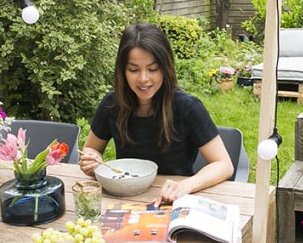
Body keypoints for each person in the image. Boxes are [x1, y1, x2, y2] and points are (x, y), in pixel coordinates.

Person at [79, 23, 234, 206]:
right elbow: (91, 149)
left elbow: (224, 165)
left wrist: (185, 186)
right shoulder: (112, 104)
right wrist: (92, 160)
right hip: (124, 199)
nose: (143, 79)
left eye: (153, 69)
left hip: (173, 201)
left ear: (165, 68)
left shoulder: (187, 107)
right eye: (134, 70)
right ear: (123, 71)